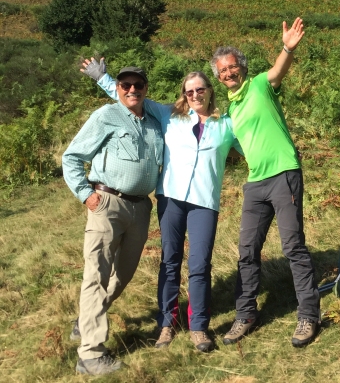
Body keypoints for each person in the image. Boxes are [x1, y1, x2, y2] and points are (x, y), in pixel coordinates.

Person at [80, 58, 243, 353]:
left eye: (200, 89)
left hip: (205, 202)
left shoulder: (227, 125)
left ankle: (199, 327)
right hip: (170, 198)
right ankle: (166, 324)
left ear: (210, 91)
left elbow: (252, 146)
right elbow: (131, 97)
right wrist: (101, 77)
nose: (195, 95)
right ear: (183, 94)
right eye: (189, 91)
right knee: (169, 262)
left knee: (200, 264)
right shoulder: (170, 115)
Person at [210, 17, 320, 348]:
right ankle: (245, 314)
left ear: (241, 67)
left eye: (232, 67)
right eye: (222, 71)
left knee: (292, 247)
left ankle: (308, 316)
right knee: (246, 251)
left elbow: (277, 71)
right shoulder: (229, 112)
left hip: (284, 174)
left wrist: (287, 47)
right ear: (218, 77)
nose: (229, 73)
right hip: (255, 183)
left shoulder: (259, 85)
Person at [63, 66, 164, 375]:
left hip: (140, 208)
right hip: (107, 203)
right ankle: (91, 355)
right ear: (118, 88)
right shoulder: (106, 115)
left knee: (122, 275)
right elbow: (72, 156)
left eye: (138, 84)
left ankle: (85, 320)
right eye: (125, 84)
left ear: (146, 88)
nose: (132, 89)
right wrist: (85, 193)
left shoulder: (155, 121)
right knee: (97, 273)